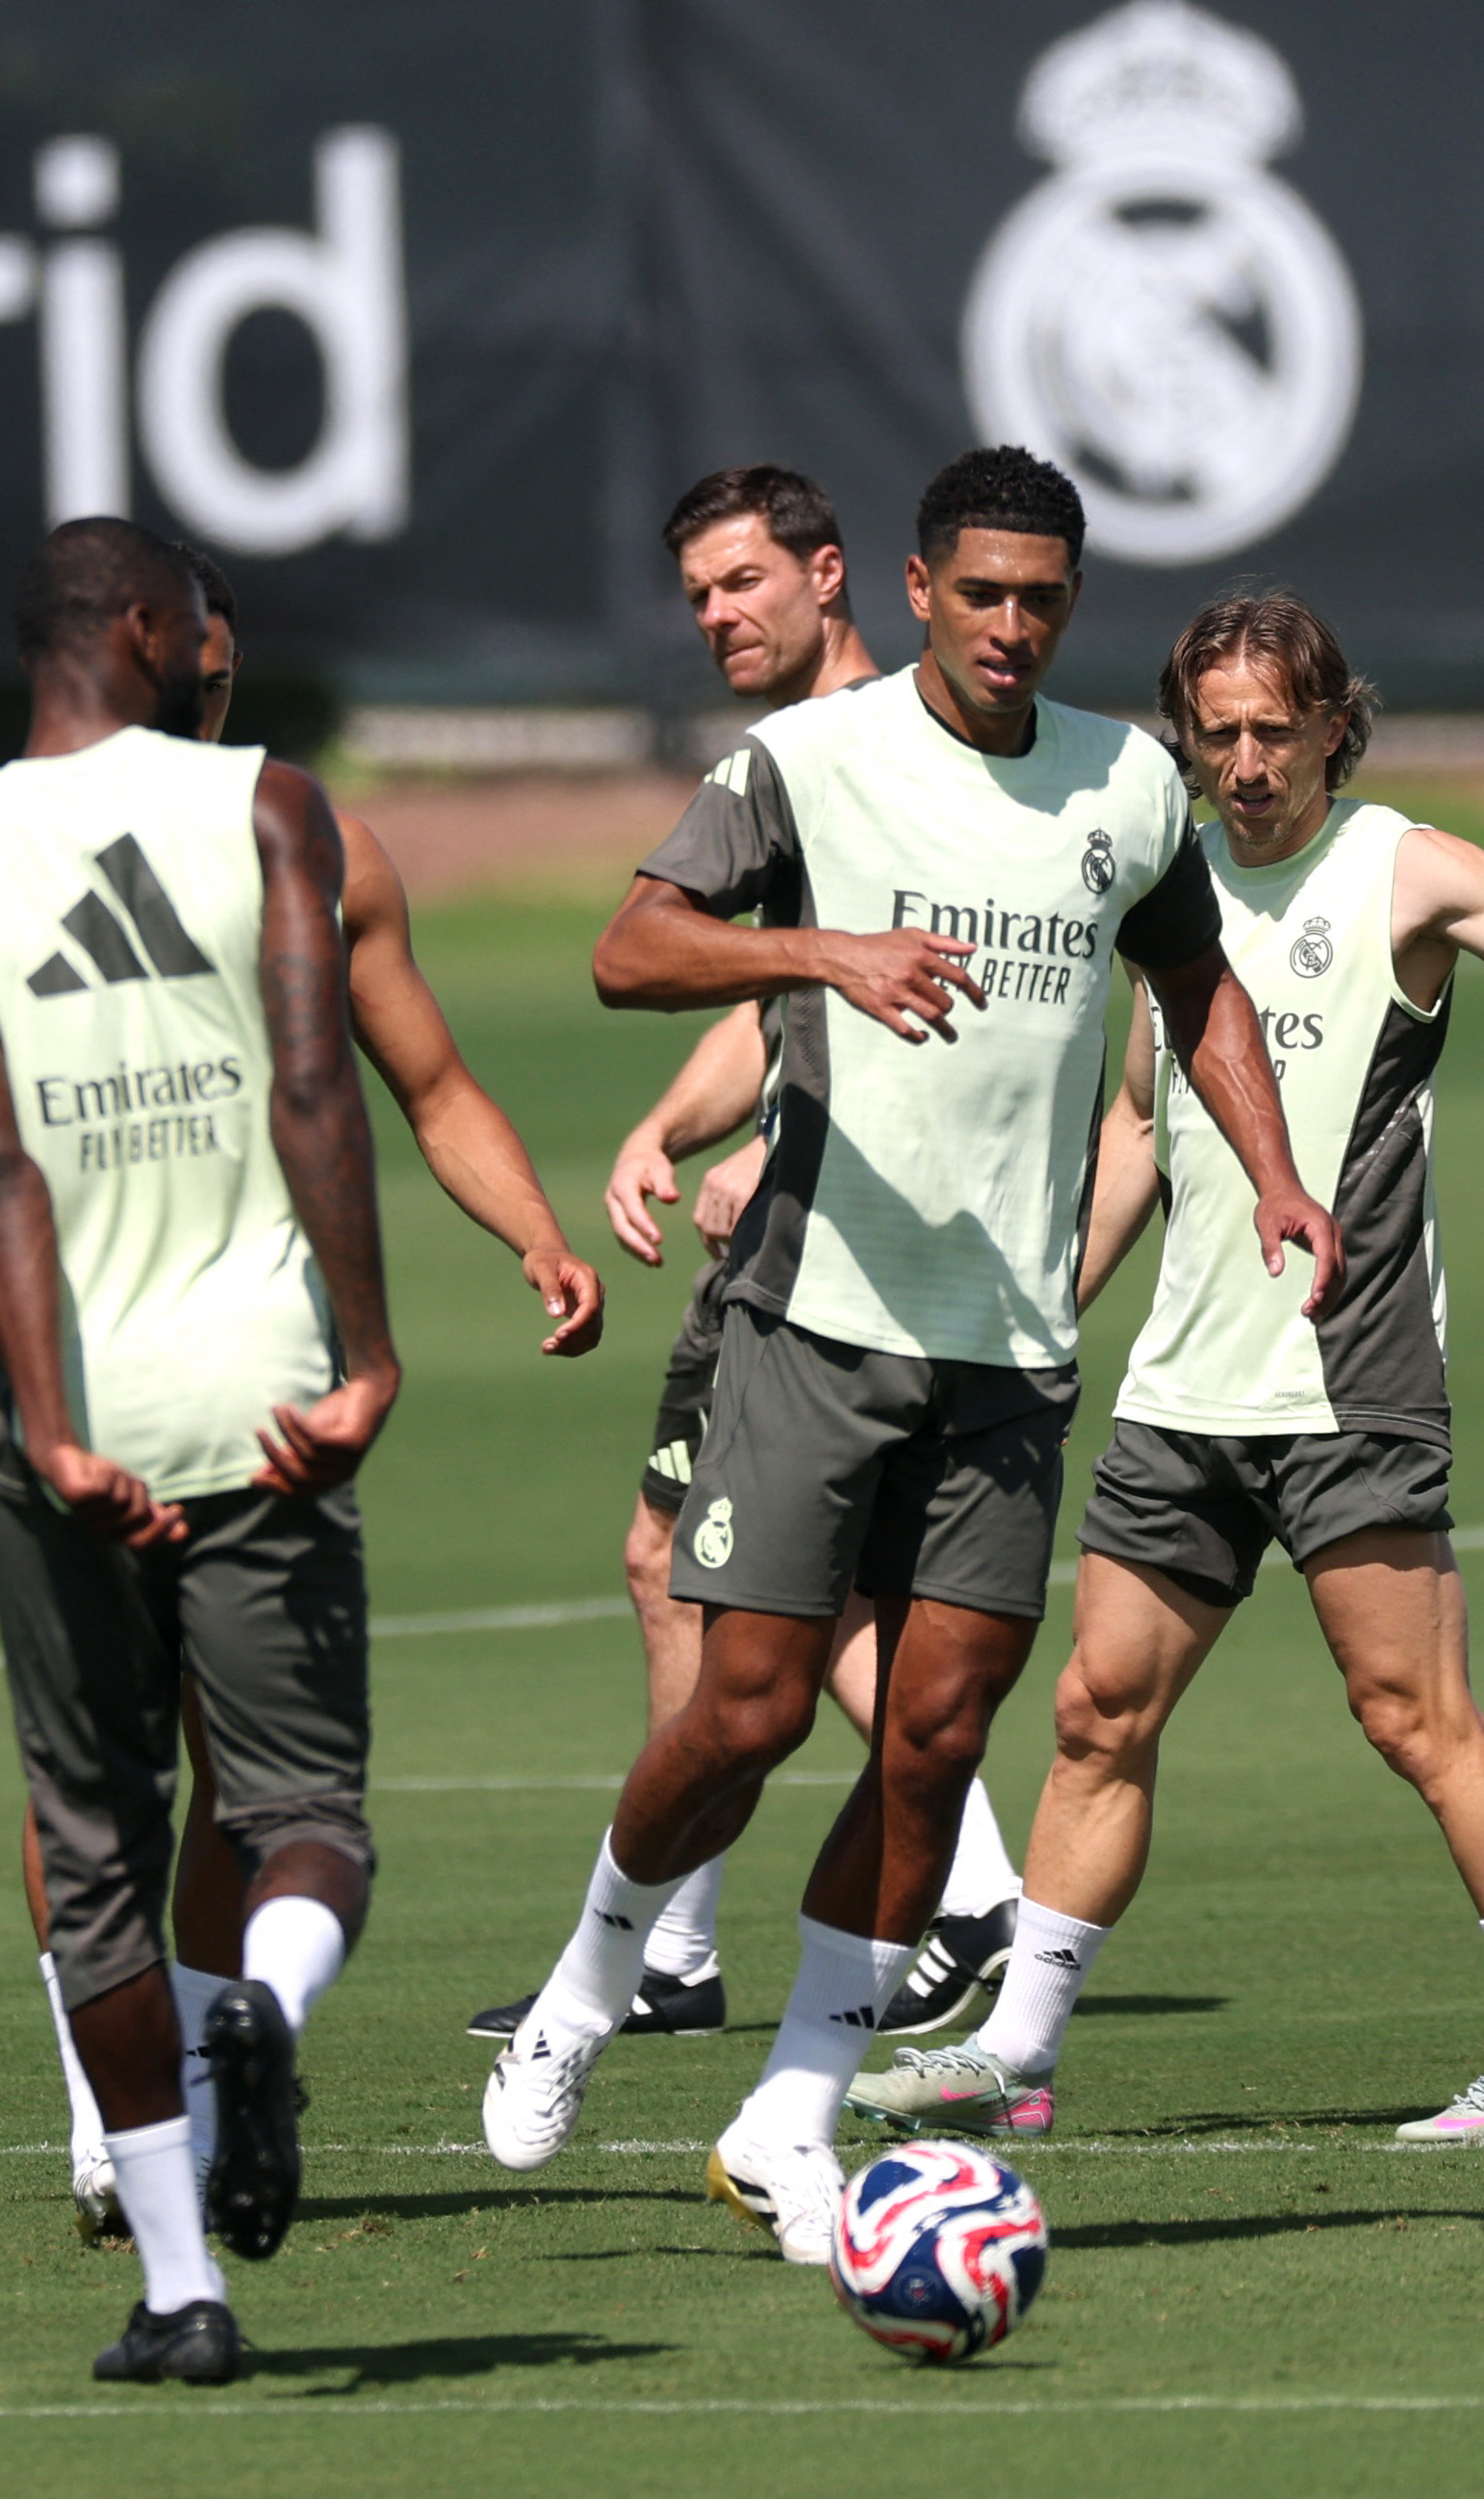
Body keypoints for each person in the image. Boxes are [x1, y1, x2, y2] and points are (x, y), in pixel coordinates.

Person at [478, 448, 1340, 2264]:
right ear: (922, 586)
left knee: (938, 1744)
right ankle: (586, 1989)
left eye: (1047, 598)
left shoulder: (1131, 781)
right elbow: (633, 950)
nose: (1016, 626)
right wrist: (819, 955)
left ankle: (792, 2116)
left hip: (1010, 1355)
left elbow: (1200, 995)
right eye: (987, 593)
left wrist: (1272, 1178)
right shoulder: (813, 759)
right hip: (814, 1323)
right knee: (749, 1711)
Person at [851, 592, 1484, 2148]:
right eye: (1220, 734)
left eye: (1281, 729)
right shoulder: (1173, 882)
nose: (1252, 762)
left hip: (1350, 1377)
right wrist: (1051, 1309)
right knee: (1094, 1714)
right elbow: (1141, 1123)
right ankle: (1016, 2049)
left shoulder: (1409, 869)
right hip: (1181, 1389)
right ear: (1184, 740)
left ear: (1339, 724)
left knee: (1415, 1715)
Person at [0, 549, 604, 2247]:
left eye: (222, 688)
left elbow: (420, 1080)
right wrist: (47, 1329)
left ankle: (195, 2090)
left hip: (202, 1377)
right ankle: (113, 2110)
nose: (200, 711)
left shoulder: (303, 837)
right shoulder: (32, 853)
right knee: (142, 1785)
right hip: (208, 1374)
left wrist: (535, 1235)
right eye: (183, 681)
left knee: (209, 1779)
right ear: (135, 656)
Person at [0, 518, 418, 2383]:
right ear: (134, 625)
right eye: (194, 616)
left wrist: (45, 1412)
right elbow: (310, 1078)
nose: (212, 643)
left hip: (74, 1412)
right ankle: (262, 2006)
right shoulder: (266, 804)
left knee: (99, 1851)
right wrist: (362, 1348)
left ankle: (181, 2285)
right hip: (257, 1386)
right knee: (304, 1818)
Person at [464, 465, 1027, 2051]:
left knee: (762, 1588)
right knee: (684, 1570)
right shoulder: (789, 760)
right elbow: (782, 997)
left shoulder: (885, 751)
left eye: (741, 582)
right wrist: (675, 1129)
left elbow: (931, 1003)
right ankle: (689, 1946)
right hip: (800, 1222)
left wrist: (772, 1149)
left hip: (846, 1255)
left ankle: (960, 1884)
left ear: (831, 574)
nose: (716, 615)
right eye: (698, 593)